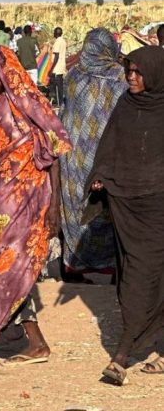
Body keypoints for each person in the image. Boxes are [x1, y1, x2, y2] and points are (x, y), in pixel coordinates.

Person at [0, 45, 71, 375]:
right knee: (8, 271)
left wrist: (56, 208)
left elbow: (54, 155)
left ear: (8, 76)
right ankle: (36, 342)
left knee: (8, 270)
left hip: (29, 201)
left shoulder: (28, 104)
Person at [87, 46, 164, 385]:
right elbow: (110, 147)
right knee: (134, 274)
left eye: (138, 71)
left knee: (147, 278)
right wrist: (101, 174)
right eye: (128, 71)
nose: (131, 77)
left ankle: (121, 354)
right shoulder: (125, 104)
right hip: (128, 206)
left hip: (159, 206)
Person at [59, 29, 127, 281]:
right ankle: (111, 269)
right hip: (107, 156)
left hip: (74, 158)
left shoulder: (73, 76)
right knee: (105, 211)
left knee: (76, 207)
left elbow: (65, 113)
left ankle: (73, 268)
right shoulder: (121, 78)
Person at [49, 27, 67, 107]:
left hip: (57, 67)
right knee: (60, 85)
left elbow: (56, 56)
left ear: (56, 33)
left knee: (57, 86)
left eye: (54, 32)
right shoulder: (63, 41)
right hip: (61, 66)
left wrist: (51, 69)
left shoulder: (57, 43)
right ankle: (61, 102)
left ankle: (59, 103)